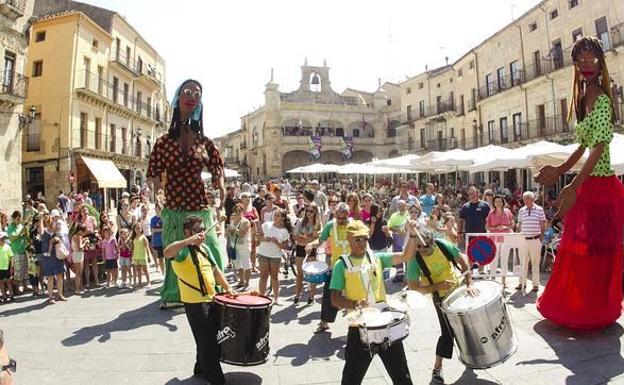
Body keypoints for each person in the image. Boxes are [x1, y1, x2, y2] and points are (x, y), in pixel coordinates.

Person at [535, 37, 624, 330]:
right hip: (588, 185)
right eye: (581, 59)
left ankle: (597, 309)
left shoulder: (600, 97)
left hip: (601, 187)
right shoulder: (584, 97)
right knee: (581, 248)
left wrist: (574, 185)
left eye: (591, 58)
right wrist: (560, 171)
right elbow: (582, 147)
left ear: (600, 62)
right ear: (575, 64)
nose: (586, 64)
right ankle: (582, 305)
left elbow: (599, 147)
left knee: (596, 250)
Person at [147, 79, 225, 308]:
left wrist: (219, 181)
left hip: (198, 204)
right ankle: (174, 294)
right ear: (177, 98)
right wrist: (158, 192)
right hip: (173, 204)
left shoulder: (204, 142)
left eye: (197, 94)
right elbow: (153, 172)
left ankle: (214, 288)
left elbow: (216, 166)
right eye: (188, 92)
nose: (193, 96)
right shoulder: (162, 143)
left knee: (208, 245)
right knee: (176, 249)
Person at [164, 216, 252, 385]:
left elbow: (215, 270)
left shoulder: (205, 248)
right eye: (197, 229)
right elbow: (167, 252)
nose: (202, 233)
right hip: (195, 303)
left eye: (202, 229)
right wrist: (188, 240)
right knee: (209, 341)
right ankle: (216, 380)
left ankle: (200, 368)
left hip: (212, 299)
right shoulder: (182, 251)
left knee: (206, 337)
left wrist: (228, 288)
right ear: (188, 232)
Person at [329, 220, 418, 385]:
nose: (362, 243)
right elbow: (334, 299)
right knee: (351, 379)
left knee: (402, 378)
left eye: (364, 238)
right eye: (357, 239)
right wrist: (354, 303)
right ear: (349, 239)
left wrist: (412, 234)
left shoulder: (377, 258)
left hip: (385, 323)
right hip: (360, 327)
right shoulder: (341, 265)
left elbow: (407, 256)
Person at [406, 229, 477, 384]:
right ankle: (437, 369)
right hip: (441, 298)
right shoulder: (414, 259)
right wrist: (437, 286)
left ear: (433, 241)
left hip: (459, 290)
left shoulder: (443, 244)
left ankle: (473, 357)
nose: (422, 250)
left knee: (470, 325)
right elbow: (414, 286)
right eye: (419, 247)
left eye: (426, 246)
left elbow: (462, 260)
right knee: (447, 333)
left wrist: (469, 283)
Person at [305, 202, 351, 333]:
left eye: (344, 218)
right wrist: (311, 245)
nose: (341, 220)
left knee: (354, 295)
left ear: (348, 215)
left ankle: (355, 326)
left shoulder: (354, 225)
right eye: (339, 217)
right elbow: (320, 240)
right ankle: (324, 322)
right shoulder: (330, 225)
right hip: (336, 266)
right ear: (335, 214)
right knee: (329, 295)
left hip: (353, 267)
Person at [256, 208, 291, 305]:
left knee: (274, 276)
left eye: (278, 215)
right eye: (275, 215)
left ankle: (276, 298)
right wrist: (264, 238)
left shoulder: (284, 231)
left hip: (275, 255)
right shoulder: (266, 225)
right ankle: (261, 297)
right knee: (263, 276)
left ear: (283, 218)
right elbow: (258, 237)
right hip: (263, 253)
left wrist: (278, 243)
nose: (275, 217)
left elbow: (285, 246)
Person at [515, 191, 546, 293]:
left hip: (535, 239)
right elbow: (519, 224)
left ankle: (536, 284)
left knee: (535, 263)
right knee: (523, 262)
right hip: (523, 240)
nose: (525, 201)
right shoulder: (522, 210)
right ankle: (521, 282)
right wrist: (517, 235)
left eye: (527, 199)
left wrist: (541, 237)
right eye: (524, 199)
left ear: (532, 199)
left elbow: (543, 224)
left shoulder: (539, 210)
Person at [292, 202, 321, 305]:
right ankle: (297, 296)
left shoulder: (317, 223)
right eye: (307, 211)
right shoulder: (300, 222)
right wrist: (306, 239)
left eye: (311, 211)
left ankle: (311, 297)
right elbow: (294, 236)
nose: (308, 213)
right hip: (300, 248)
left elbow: (317, 237)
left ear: (315, 212)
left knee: (312, 274)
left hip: (311, 250)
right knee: (300, 274)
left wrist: (308, 239)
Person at [486, 195, 514, 286]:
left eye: (500, 201)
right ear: (493, 203)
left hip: (506, 238)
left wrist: (505, 227)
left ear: (503, 202)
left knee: (504, 259)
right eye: (496, 201)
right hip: (494, 238)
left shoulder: (507, 212)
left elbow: (512, 224)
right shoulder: (491, 213)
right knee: (493, 258)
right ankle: (493, 279)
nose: (498, 203)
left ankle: (503, 280)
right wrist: (495, 228)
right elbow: (487, 227)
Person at [39, 214, 66, 304]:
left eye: (47, 215)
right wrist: (40, 219)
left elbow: (60, 238)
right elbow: (41, 232)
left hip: (57, 253)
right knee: (50, 276)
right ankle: (50, 296)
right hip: (48, 256)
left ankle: (60, 294)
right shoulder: (44, 230)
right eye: (44, 215)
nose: (46, 216)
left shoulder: (57, 229)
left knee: (59, 275)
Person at [457, 186, 491, 253]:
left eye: (473, 193)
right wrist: (459, 232)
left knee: (482, 255)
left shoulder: (485, 205)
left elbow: (491, 218)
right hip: (469, 236)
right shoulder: (465, 206)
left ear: (477, 193)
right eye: (470, 194)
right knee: (470, 255)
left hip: (482, 235)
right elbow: (460, 220)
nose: (472, 195)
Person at [227, 204, 252, 289]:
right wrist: (229, 231)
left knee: (246, 265)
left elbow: (242, 233)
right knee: (238, 265)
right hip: (234, 246)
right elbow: (230, 233)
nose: (238, 213)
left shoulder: (245, 221)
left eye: (240, 211)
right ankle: (241, 281)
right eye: (236, 211)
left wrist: (232, 230)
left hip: (244, 246)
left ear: (242, 211)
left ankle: (247, 283)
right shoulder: (233, 221)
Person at [387, 200, 409, 282]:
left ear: (406, 206)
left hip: (407, 238)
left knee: (407, 256)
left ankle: (408, 276)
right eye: (399, 206)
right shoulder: (394, 215)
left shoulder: (409, 214)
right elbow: (389, 226)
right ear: (397, 207)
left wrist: (403, 230)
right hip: (396, 238)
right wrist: (398, 229)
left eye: (403, 206)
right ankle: (400, 275)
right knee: (398, 256)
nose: (401, 208)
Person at [7, 212, 27, 295]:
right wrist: (20, 232)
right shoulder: (11, 227)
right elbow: (12, 238)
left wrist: (26, 233)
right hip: (16, 251)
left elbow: (25, 236)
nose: (19, 220)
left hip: (23, 250)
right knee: (18, 272)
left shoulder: (20, 225)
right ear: (14, 218)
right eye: (18, 218)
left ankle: (25, 287)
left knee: (25, 270)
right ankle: (17, 289)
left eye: (20, 218)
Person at [131, 222, 151, 287]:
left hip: (143, 256)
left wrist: (148, 256)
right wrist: (132, 256)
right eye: (136, 228)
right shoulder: (134, 238)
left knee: (145, 270)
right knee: (138, 270)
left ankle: (148, 282)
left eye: (139, 228)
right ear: (134, 229)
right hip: (136, 257)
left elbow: (147, 247)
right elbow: (133, 248)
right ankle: (139, 283)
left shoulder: (144, 237)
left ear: (141, 229)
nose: (138, 230)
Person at [71, 224, 88, 295]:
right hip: (78, 254)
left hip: (76, 254)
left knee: (80, 273)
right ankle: (77, 289)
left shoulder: (75, 236)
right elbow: (80, 247)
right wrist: (85, 242)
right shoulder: (78, 236)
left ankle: (81, 288)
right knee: (78, 273)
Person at [150, 204, 165, 275]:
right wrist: (163, 230)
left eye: (159, 209)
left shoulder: (165, 218)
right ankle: (163, 273)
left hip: (165, 241)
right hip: (157, 241)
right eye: (156, 209)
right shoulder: (153, 219)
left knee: (167, 258)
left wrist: (158, 230)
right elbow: (153, 231)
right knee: (160, 258)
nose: (157, 210)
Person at [0, 233, 13, 303]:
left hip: (7, 267)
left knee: (9, 282)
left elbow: (11, 257)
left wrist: (11, 267)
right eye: (1, 239)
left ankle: (11, 295)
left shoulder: (7, 247)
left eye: (3, 239)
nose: (3, 240)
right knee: (1, 283)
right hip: (0, 268)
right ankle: (4, 296)